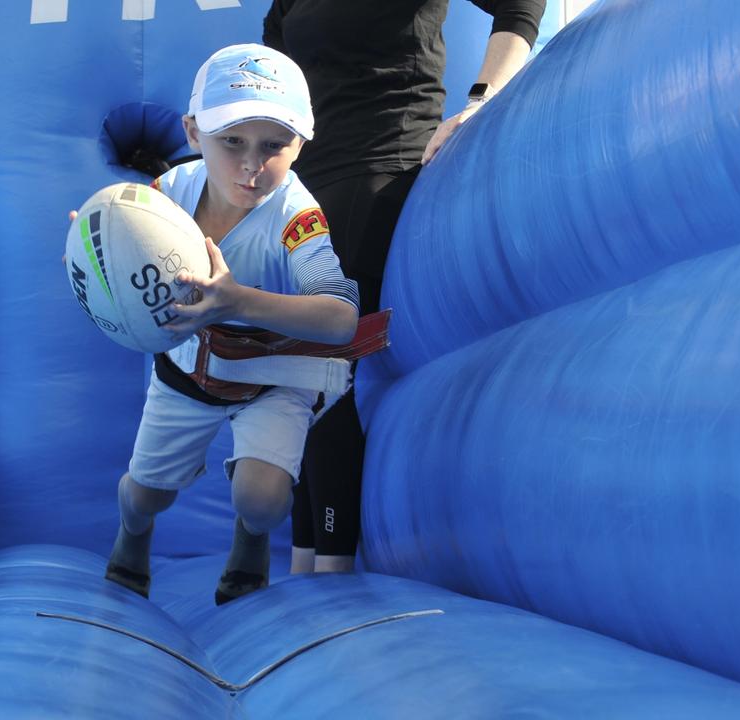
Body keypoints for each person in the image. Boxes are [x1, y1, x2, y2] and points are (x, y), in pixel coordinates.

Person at [263, 1, 546, 573]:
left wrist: (482, 100)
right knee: (290, 373)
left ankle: (332, 572)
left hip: (378, 165)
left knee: (321, 363)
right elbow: (271, 88)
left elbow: (522, 6)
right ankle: (302, 567)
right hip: (302, 187)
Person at [101, 43, 360, 605]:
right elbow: (116, 250)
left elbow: (341, 320)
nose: (251, 164)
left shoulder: (298, 218)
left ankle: (250, 538)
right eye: (232, 142)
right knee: (144, 494)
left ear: (300, 144)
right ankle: (134, 534)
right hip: (185, 375)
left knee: (263, 499)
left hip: (273, 375)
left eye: (275, 145)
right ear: (194, 134)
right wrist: (100, 249)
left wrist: (237, 301)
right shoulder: (166, 196)